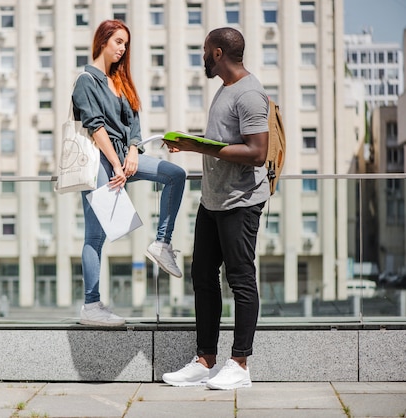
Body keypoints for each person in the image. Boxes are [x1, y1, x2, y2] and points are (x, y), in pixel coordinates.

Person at [162, 27, 270, 389]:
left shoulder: (250, 94)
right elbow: (225, 141)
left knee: (240, 279)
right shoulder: (225, 90)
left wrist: (198, 148)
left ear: (219, 53)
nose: (202, 56)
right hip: (213, 200)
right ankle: (205, 360)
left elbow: (258, 153)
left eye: (205, 50)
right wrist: (193, 141)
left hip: (240, 202)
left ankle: (239, 365)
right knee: (202, 277)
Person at [72, 19, 186, 326]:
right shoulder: (86, 80)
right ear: (102, 41)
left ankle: (162, 243)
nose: (122, 49)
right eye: (118, 42)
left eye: (125, 44)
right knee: (95, 236)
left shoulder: (121, 81)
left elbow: (134, 125)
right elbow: (95, 127)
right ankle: (91, 306)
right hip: (100, 163)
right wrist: (117, 164)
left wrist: (133, 151)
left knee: (175, 175)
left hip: (126, 160)